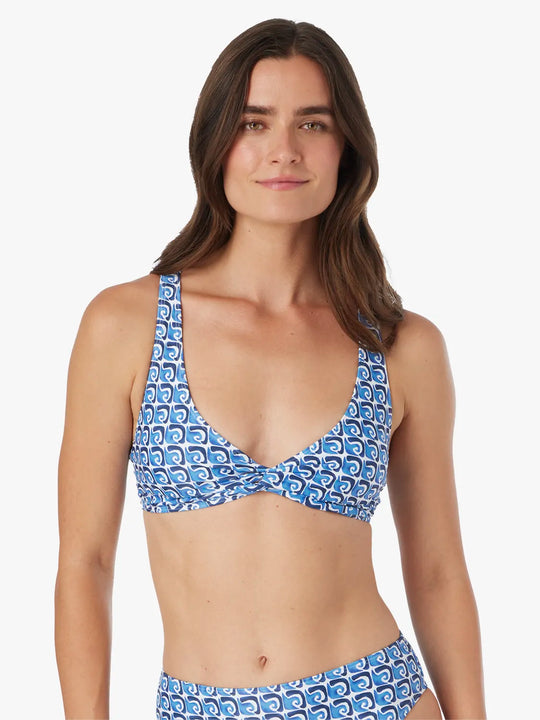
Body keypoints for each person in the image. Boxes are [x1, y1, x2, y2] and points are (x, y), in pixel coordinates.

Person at [54, 17, 486, 720]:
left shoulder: (401, 347)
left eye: (313, 124)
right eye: (254, 123)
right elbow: (85, 564)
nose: (284, 150)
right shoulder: (126, 327)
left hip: (375, 699)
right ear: (215, 141)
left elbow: (438, 573)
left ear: (347, 148)